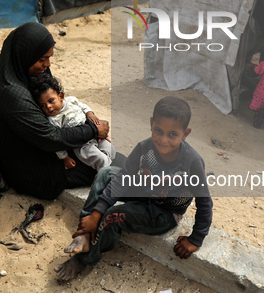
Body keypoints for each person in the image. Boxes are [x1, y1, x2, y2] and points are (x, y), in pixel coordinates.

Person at [54, 96, 213, 281]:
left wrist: (196, 239)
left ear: (185, 134)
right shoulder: (144, 147)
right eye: (158, 130)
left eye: (172, 134)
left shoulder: (192, 161)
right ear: (151, 124)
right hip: (143, 192)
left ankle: (84, 259)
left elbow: (204, 201)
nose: (163, 139)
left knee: (112, 216)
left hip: (163, 213)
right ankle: (85, 232)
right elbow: (123, 177)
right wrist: (95, 214)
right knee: (107, 173)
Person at [0, 22, 110, 200]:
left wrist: (89, 117)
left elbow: (57, 106)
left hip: (36, 150)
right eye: (41, 60)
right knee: (107, 162)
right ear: (25, 55)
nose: (47, 65)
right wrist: (93, 130)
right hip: (28, 171)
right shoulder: (11, 93)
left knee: (105, 152)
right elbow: (51, 138)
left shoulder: (17, 73)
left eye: (49, 58)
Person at [30, 73, 115, 171]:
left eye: (51, 101)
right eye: (43, 105)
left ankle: (107, 170)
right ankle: (107, 177)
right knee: (101, 160)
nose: (48, 106)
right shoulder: (53, 120)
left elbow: (83, 106)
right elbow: (57, 142)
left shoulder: (71, 100)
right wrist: (65, 158)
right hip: (81, 146)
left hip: (94, 136)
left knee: (110, 148)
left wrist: (90, 113)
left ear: (61, 96)